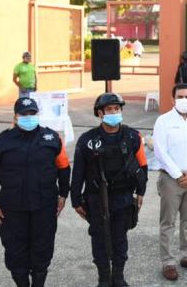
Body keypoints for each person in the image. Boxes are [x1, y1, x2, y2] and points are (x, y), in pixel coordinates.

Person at [0, 97, 71, 287]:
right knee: (15, 252)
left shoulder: (52, 138)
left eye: (32, 113)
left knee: (42, 250)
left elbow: (64, 167)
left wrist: (64, 194)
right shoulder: (2, 140)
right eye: (24, 114)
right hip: (12, 208)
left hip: (45, 206)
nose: (29, 117)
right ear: (15, 116)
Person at [71, 93, 148, 287]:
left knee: (120, 237)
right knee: (99, 238)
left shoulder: (132, 136)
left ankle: (119, 277)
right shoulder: (88, 140)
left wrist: (141, 192)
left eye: (117, 109)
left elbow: (142, 165)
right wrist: (75, 200)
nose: (114, 112)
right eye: (109, 109)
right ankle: (104, 278)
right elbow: (78, 172)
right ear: (100, 113)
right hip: (96, 198)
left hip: (123, 198)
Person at [153, 83, 187, 281]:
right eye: (180, 96)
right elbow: (160, 151)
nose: (184, 100)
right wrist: (178, 175)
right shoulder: (163, 121)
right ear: (173, 99)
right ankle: (168, 262)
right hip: (171, 179)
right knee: (168, 222)